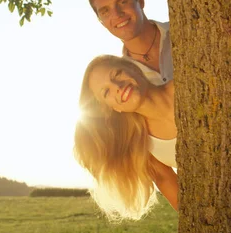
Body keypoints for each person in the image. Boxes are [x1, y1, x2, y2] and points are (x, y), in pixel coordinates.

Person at [74, 55, 178, 221]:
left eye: (117, 74)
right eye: (106, 92)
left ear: (134, 69)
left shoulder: (186, 85)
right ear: (113, 108)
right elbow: (187, 207)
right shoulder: (145, 147)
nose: (117, 86)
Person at [86, 0, 173, 85]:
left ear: (140, 1)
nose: (117, 14)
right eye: (105, 11)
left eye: (123, 2)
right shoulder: (123, 80)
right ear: (101, 22)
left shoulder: (185, 32)